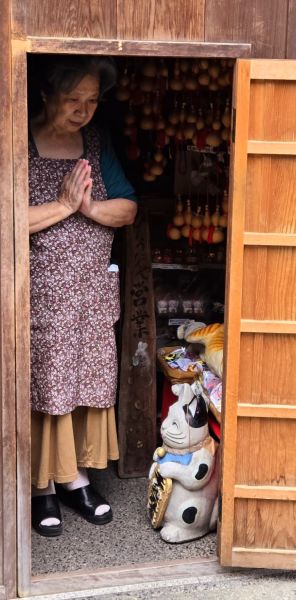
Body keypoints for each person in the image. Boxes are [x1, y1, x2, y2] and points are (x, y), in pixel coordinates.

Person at [28, 55, 138, 537]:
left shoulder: (96, 143)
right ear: (46, 94)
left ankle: (77, 479)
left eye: (92, 100)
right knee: (45, 381)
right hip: (38, 294)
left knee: (87, 378)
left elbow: (128, 208)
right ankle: (39, 487)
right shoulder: (17, 140)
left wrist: (88, 206)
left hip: (90, 293)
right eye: (73, 99)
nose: (83, 110)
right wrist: (59, 205)